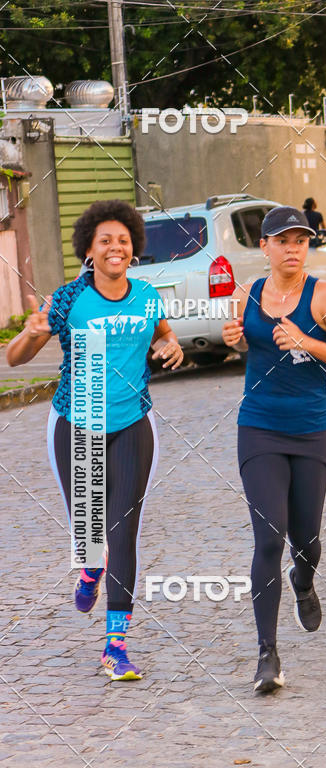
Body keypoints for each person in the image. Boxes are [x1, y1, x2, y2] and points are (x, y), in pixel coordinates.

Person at [6, 199, 183, 680]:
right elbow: (15, 360)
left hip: (132, 425)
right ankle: (89, 570)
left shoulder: (147, 296)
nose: (115, 247)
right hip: (77, 425)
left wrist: (170, 344)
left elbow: (164, 335)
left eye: (123, 239)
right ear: (88, 249)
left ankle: (115, 646)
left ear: (134, 248)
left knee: (123, 531)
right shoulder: (67, 300)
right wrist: (32, 331)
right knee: (90, 536)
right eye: (105, 240)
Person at [222, 205, 326, 694]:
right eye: (282, 240)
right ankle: (268, 655)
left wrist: (307, 338)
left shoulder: (324, 296)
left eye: (300, 240)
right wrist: (234, 340)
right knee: (268, 539)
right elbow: (245, 348)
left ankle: (304, 579)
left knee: (307, 538)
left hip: (310, 429)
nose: (292, 248)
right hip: (259, 425)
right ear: (264, 247)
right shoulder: (249, 293)